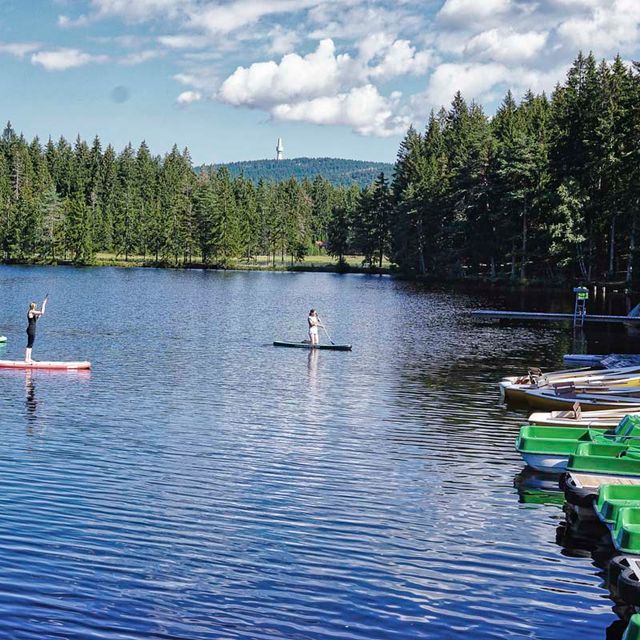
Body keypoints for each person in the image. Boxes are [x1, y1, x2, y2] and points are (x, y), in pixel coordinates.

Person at [25, 298, 46, 363]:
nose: (36, 307)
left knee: (31, 344)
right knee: (29, 344)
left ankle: (29, 358)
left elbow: (40, 315)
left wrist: (39, 314)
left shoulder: (33, 313)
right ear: (33, 307)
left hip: (32, 329)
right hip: (31, 329)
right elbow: (42, 312)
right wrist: (44, 304)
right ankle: (26, 359)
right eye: (35, 306)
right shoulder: (31, 311)